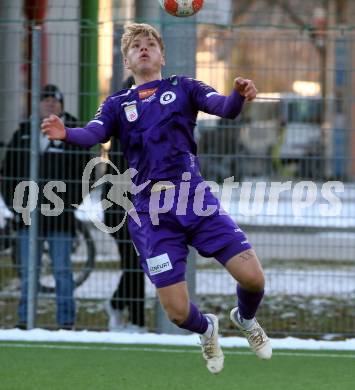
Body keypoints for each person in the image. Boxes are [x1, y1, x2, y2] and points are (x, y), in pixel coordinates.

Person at [42, 24, 272, 373]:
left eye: (151, 44)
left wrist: (239, 94)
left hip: (195, 200)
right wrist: (66, 133)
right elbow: (95, 132)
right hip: (151, 213)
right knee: (178, 313)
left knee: (254, 278)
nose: (144, 48)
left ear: (162, 55)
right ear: (127, 61)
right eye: (136, 46)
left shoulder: (184, 87)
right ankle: (207, 328)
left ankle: (244, 317)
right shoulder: (118, 104)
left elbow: (224, 107)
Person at [1, 84, 89, 329]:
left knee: (62, 269)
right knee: (29, 271)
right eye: (46, 99)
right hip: (28, 216)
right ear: (38, 104)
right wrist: (17, 207)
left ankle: (66, 321)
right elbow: (7, 174)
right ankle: (25, 319)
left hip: (60, 218)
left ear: (61, 105)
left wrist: (69, 204)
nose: (50, 103)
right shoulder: (24, 133)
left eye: (55, 100)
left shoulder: (73, 134)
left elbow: (86, 175)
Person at [103, 75, 145, 331]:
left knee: (140, 262)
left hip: (147, 206)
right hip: (120, 206)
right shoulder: (123, 125)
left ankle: (117, 303)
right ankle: (137, 321)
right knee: (136, 262)